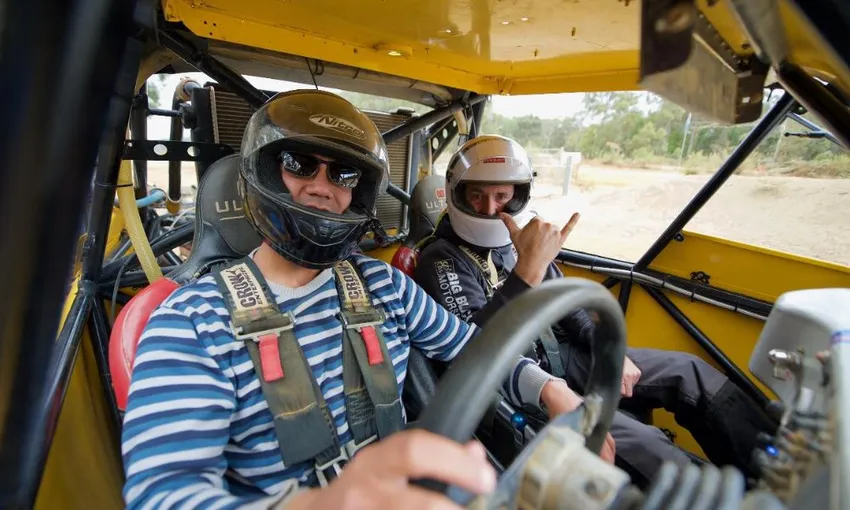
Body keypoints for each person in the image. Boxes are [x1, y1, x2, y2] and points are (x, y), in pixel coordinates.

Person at [120, 91, 614, 510]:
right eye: (299, 164)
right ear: (266, 173)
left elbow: (473, 349)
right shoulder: (190, 322)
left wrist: (551, 389)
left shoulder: (382, 283)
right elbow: (161, 494)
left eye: (344, 176)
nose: (321, 187)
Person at [413, 134, 777, 489]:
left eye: (502, 196)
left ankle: (773, 469)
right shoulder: (441, 258)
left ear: (519, 195)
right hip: (516, 384)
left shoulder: (519, 241)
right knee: (652, 449)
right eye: (477, 196)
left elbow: (570, 305)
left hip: (564, 356)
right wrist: (527, 272)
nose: (491, 209)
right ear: (457, 195)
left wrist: (610, 353)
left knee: (690, 373)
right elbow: (473, 349)